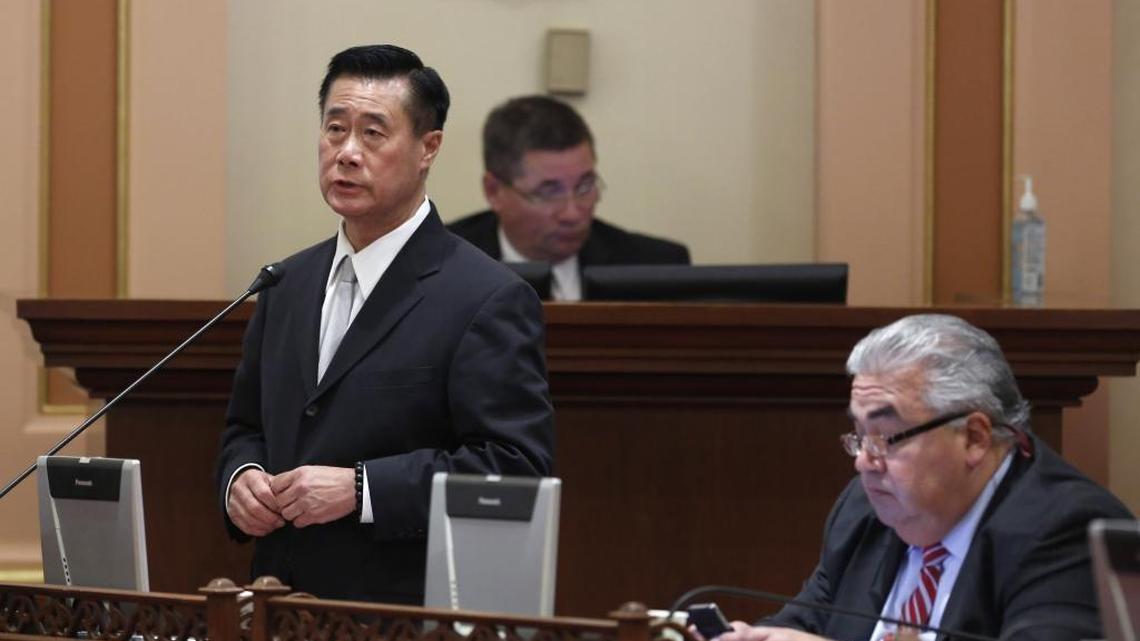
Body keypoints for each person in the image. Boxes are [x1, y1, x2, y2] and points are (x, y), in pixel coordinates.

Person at [215, 44, 554, 605]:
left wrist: (361, 488)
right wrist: (239, 480)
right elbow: (245, 428)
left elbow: (515, 470)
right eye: (335, 128)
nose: (346, 153)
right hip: (277, 601)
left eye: (373, 133)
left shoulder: (486, 297)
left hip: (401, 611)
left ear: (428, 148)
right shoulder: (285, 284)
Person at [715, 314, 1132, 641]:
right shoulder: (866, 509)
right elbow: (804, 622)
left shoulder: (1064, 529)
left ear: (973, 438)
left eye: (886, 437)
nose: (864, 461)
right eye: (860, 436)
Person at [447, 95, 690, 301]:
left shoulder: (655, 269)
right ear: (494, 191)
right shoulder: (435, 266)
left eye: (585, 186)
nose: (573, 214)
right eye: (549, 193)